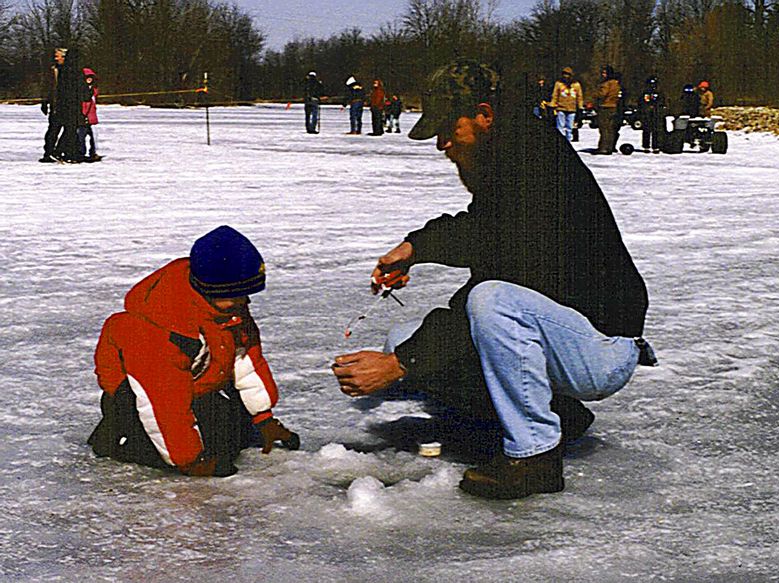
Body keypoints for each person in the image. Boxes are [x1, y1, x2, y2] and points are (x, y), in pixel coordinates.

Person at [332, 60, 654, 500]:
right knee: (405, 336)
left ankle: (535, 455)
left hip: (600, 344)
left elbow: (498, 283)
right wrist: (414, 249)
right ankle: (558, 415)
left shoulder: (536, 168)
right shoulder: (510, 156)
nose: (443, 143)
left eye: (449, 128)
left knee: (487, 304)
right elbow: (482, 230)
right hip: (561, 332)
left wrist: (401, 365)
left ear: (484, 113)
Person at [88, 226, 300, 477]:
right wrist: (192, 462)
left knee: (230, 432)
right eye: (235, 295)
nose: (245, 302)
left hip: (195, 385)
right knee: (197, 442)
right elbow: (163, 403)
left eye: (246, 294)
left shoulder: (227, 310)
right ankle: (121, 442)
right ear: (210, 289)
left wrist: (263, 417)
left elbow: (246, 362)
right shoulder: (162, 328)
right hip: (140, 397)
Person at [550, 66, 583, 139]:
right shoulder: (558, 84)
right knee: (560, 127)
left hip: (572, 109)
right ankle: (560, 141)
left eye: (568, 74)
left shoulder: (576, 85)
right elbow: (555, 95)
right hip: (561, 108)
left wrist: (580, 107)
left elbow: (579, 97)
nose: (566, 76)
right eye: (564, 74)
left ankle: (568, 142)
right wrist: (552, 105)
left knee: (570, 127)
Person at [594, 65, 621, 154]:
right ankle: (609, 146)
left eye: (605, 73)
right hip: (614, 107)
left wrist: (596, 97)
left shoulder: (606, 84)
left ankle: (603, 147)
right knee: (610, 129)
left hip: (605, 107)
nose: (603, 74)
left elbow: (602, 94)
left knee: (604, 128)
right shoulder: (616, 83)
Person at [78, 67, 101, 162]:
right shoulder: (81, 91)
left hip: (90, 117)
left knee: (93, 137)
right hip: (83, 117)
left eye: (90, 78)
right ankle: (81, 152)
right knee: (81, 136)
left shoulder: (93, 90)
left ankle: (92, 152)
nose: (89, 79)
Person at [638, 75, 664, 153]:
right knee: (646, 130)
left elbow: (662, 102)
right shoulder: (645, 93)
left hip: (656, 113)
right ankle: (646, 146)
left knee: (656, 130)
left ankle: (656, 146)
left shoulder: (659, 93)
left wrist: (659, 108)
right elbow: (641, 102)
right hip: (647, 113)